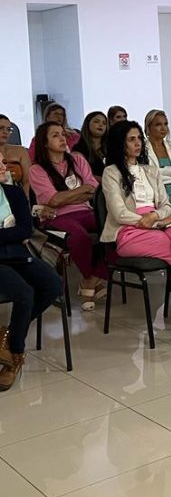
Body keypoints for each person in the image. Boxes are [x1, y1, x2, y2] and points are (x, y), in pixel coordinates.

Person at [101, 121, 171, 345]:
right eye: (131, 139)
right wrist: (147, 221)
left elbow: (166, 206)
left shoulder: (150, 170)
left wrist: (155, 217)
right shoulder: (111, 172)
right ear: (119, 143)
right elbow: (118, 213)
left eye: (139, 138)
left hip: (158, 222)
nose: (138, 143)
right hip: (130, 231)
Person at [28, 121, 108, 308]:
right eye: (55, 135)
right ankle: (91, 280)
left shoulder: (77, 159)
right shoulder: (37, 170)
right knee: (79, 237)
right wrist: (81, 191)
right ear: (45, 142)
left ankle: (90, 281)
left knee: (117, 230)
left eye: (63, 134)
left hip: (86, 211)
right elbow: (53, 201)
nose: (62, 138)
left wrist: (66, 196)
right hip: (57, 217)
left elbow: (93, 189)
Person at [0, 155, 62, 391]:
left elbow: (25, 229)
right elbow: (17, 231)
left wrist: (10, 235)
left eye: (3, 162)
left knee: (52, 284)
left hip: (18, 254)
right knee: (24, 293)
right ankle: (15, 355)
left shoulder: (14, 193)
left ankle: (8, 336)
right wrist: (11, 234)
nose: (4, 167)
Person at [0, 114, 31, 196]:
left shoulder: (21, 151)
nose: (5, 132)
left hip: (18, 196)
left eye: (8, 129)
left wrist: (25, 199)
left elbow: (27, 180)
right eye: (1, 128)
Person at [73, 111, 108, 180]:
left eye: (104, 123)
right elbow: (79, 174)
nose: (101, 125)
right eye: (96, 121)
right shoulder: (79, 148)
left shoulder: (110, 148)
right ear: (87, 124)